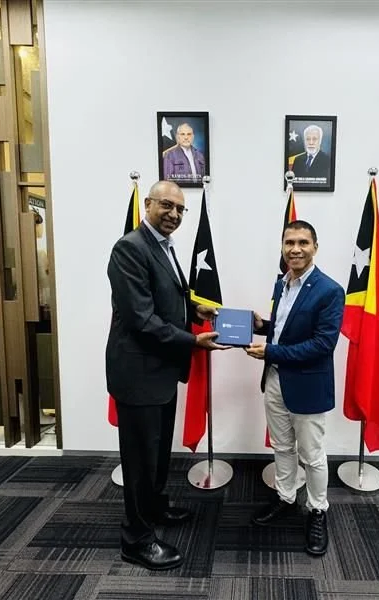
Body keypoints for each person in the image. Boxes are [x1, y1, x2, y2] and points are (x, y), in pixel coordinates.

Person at [106, 180, 227, 570]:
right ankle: (136, 540)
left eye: (179, 208)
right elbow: (142, 318)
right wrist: (193, 342)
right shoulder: (130, 248)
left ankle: (155, 510)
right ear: (148, 204)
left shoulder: (163, 247)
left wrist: (197, 314)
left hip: (160, 372)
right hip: (139, 373)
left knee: (156, 455)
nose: (173, 213)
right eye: (166, 205)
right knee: (139, 460)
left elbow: (168, 299)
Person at [244, 220, 344, 557]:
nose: (295, 249)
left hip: (307, 386)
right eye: (289, 242)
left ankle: (318, 510)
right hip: (274, 379)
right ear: (282, 247)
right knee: (283, 447)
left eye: (303, 242)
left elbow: (322, 344)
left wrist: (271, 351)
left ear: (316, 246)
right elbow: (287, 329)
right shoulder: (281, 284)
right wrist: (263, 327)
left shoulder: (330, 290)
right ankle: (286, 498)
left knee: (312, 455)